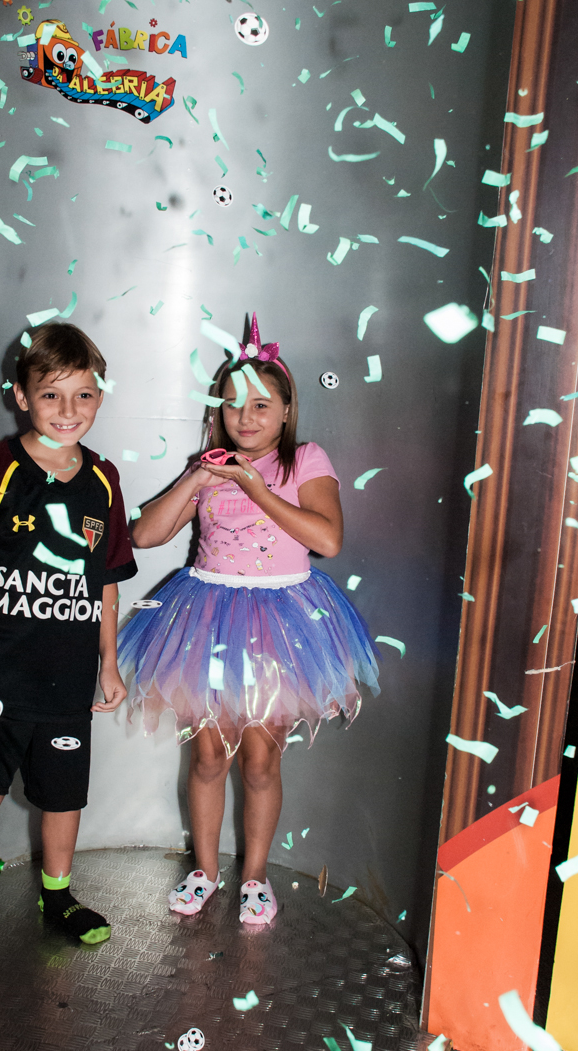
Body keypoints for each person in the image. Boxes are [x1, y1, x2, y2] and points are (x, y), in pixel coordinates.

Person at [118, 315, 379, 926]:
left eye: (262, 404)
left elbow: (328, 539)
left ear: (287, 410)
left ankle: (254, 876)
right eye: (234, 404)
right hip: (205, 618)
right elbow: (146, 533)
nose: (248, 416)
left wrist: (253, 485)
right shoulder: (208, 463)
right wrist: (198, 475)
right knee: (208, 757)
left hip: (283, 622)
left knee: (262, 759)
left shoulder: (307, 459)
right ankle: (205, 871)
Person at [0, 322, 137, 975]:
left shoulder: (105, 480)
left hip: (66, 679)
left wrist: (108, 665)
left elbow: (109, 583)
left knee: (64, 799)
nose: (69, 412)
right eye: (52, 395)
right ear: (21, 396)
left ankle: (57, 899)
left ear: (98, 397)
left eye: (84, 396)